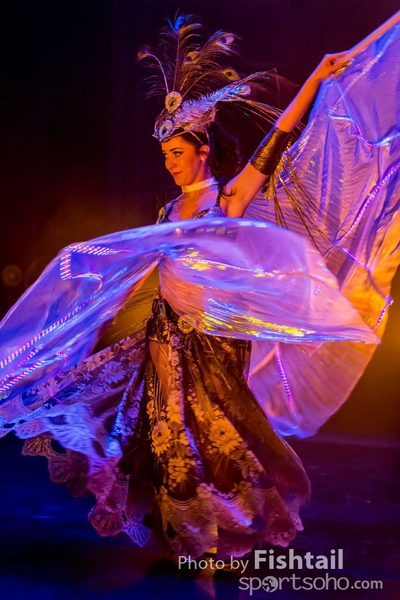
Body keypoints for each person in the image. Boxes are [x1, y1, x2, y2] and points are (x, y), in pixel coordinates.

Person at [0, 13, 399, 562]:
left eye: (178, 154)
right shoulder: (169, 209)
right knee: (165, 430)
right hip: (165, 336)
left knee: (215, 432)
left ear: (202, 150)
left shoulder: (228, 199)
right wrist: (96, 305)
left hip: (215, 341)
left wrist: (314, 78)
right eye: (165, 156)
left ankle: (219, 527)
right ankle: (184, 531)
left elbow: (278, 141)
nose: (170, 165)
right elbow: (149, 266)